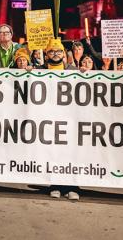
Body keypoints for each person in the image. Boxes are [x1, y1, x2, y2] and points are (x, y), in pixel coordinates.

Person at [44, 38, 79, 200]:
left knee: (70, 153)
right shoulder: (40, 70)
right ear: (46, 54)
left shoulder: (73, 70)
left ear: (64, 54)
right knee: (53, 153)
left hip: (69, 118)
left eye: (58, 51)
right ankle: (55, 185)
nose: (55, 54)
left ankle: (72, 187)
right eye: (52, 51)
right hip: (49, 118)